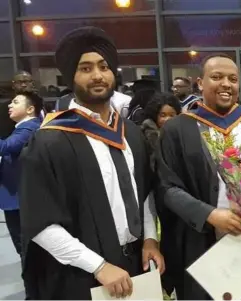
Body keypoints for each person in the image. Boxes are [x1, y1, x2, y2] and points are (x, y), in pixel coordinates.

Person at [18, 26, 164, 299]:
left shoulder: (130, 132)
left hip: (135, 265)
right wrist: (98, 266)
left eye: (103, 66)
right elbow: (39, 224)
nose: (97, 75)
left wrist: (150, 239)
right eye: (85, 68)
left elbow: (143, 194)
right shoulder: (50, 141)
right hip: (80, 273)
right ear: (71, 76)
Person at [156, 53, 241, 300]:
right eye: (216, 77)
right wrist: (210, 215)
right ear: (200, 83)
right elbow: (167, 188)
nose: (226, 84)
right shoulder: (177, 130)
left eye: (233, 78)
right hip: (203, 246)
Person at [0, 91, 43, 255]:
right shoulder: (22, 128)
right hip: (16, 193)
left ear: (30, 109)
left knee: (24, 244)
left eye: (16, 102)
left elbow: (5, 148)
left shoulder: (29, 128)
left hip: (18, 195)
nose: (10, 105)